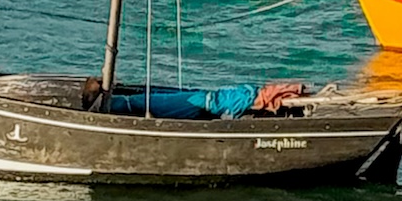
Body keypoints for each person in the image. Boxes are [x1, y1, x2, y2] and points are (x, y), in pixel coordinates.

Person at [80, 76, 309, 117]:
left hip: (203, 103)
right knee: (205, 99)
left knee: (206, 99)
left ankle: (110, 103)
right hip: (204, 101)